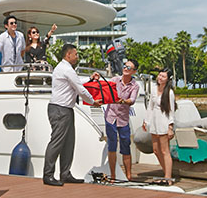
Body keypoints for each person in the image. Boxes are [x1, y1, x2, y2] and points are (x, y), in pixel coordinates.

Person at [43, 44, 101, 186]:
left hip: (66, 109)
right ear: (68, 55)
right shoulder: (66, 69)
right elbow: (80, 89)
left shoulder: (66, 69)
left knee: (68, 143)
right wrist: (93, 102)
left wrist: (89, 79)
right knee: (56, 142)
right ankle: (48, 175)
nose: (77, 57)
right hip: (60, 110)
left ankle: (65, 174)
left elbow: (77, 82)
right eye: (75, 54)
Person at [92, 59, 140, 181]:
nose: (125, 68)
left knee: (126, 146)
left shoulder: (135, 85)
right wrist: (97, 78)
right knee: (112, 146)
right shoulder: (114, 80)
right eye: (124, 66)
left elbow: (132, 100)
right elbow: (105, 87)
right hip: (111, 117)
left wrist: (123, 101)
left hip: (123, 119)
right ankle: (113, 175)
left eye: (129, 67)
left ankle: (129, 176)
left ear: (134, 71)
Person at [142, 68, 176, 186]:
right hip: (154, 122)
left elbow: (171, 111)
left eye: (163, 77)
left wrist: (170, 127)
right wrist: (146, 121)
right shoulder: (153, 89)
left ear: (168, 79)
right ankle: (166, 173)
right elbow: (150, 107)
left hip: (164, 121)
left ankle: (168, 177)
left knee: (164, 151)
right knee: (156, 150)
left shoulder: (170, 93)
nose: (160, 78)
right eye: (159, 75)